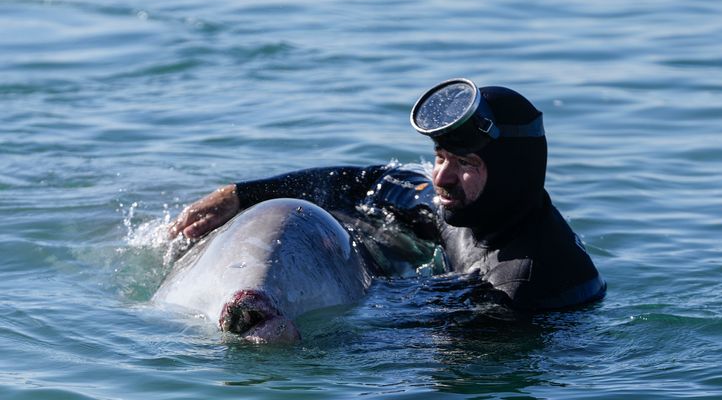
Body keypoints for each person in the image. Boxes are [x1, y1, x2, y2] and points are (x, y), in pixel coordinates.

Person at [169, 78, 606, 310]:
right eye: (439, 157)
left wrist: (309, 346)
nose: (441, 179)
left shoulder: (521, 288)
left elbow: (409, 362)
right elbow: (365, 182)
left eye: (466, 164)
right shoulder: (477, 210)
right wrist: (242, 195)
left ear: (513, 173)